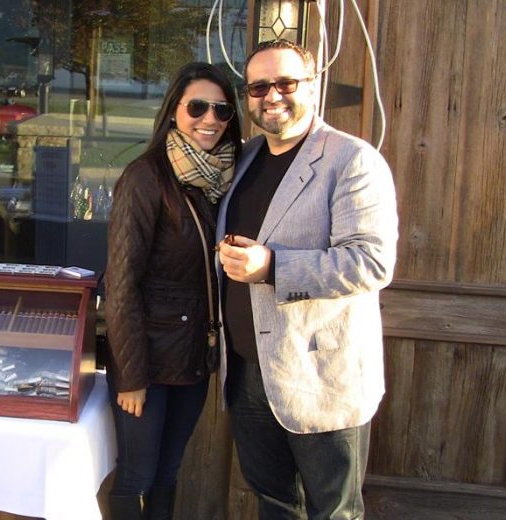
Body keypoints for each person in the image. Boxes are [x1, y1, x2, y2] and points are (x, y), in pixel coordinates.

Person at [216, 39, 398, 519]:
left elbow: (371, 261)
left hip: (320, 377)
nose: (271, 95)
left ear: (312, 86)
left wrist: (272, 267)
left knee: (333, 511)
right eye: (258, 86)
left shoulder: (351, 161)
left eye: (285, 82)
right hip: (248, 371)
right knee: (274, 503)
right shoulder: (246, 158)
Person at [105, 62, 242, 520]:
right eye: (197, 107)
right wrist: (132, 376)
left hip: (194, 358)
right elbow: (121, 283)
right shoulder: (146, 177)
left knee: (168, 472)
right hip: (148, 362)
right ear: (173, 112)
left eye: (221, 110)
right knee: (137, 474)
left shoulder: (223, 181)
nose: (210, 119)